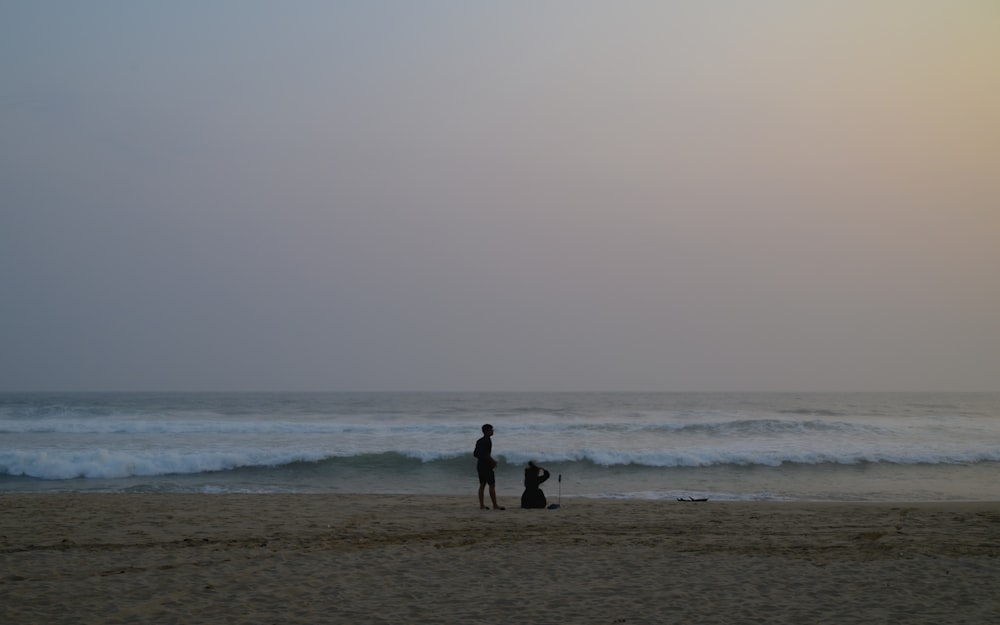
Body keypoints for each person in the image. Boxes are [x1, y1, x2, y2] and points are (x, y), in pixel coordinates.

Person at [474, 423, 503, 510]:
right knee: (492, 484)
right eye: (491, 430)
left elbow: (475, 454)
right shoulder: (487, 440)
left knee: (482, 484)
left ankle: (482, 505)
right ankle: (495, 505)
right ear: (487, 431)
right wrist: (492, 461)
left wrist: (485, 459)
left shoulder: (479, 441)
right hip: (486, 465)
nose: (492, 431)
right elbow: (486, 454)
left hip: (480, 464)